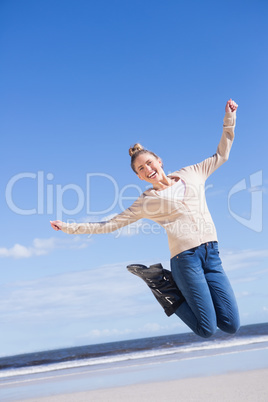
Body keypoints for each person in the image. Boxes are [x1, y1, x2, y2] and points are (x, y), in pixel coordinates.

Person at [50, 99, 240, 338]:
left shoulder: (192, 173)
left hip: (212, 255)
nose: (147, 168)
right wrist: (69, 227)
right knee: (207, 329)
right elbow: (110, 225)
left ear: (159, 161)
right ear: (140, 177)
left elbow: (222, 154)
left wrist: (229, 119)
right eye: (141, 169)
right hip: (186, 260)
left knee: (231, 325)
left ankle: (175, 287)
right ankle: (161, 283)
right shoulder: (146, 201)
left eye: (149, 162)